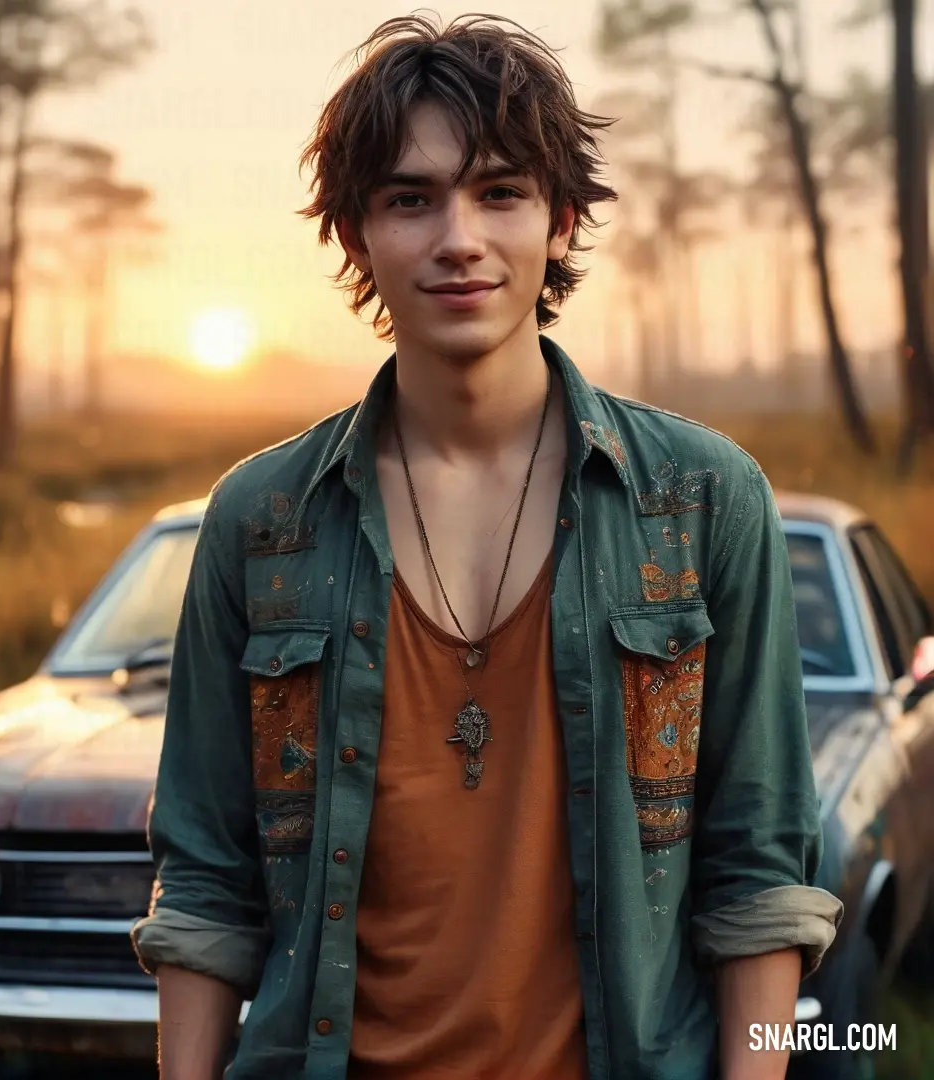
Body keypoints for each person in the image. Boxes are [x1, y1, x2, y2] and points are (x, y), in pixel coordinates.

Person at [132, 13, 842, 1080]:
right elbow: (204, 879)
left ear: (560, 221)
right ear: (356, 233)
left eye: (499, 191)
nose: (457, 237)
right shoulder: (261, 519)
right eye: (410, 198)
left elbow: (758, 869)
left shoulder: (698, 501)